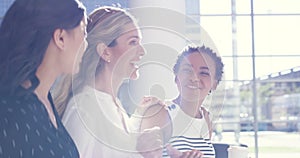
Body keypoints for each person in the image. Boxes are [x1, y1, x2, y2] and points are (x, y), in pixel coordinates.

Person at [52, 6, 151, 157]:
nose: (142, 51)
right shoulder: (84, 110)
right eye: (133, 42)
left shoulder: (116, 108)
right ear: (105, 52)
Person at [0, 0, 87, 157]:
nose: (85, 44)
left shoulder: (44, 99)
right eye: (83, 31)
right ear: (60, 38)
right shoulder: (10, 111)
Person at [139, 44, 224, 158]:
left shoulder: (206, 118)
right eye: (187, 70)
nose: (194, 78)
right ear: (176, 77)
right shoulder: (159, 112)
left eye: (204, 73)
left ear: (214, 83)